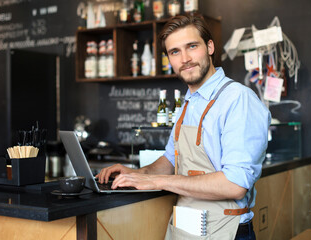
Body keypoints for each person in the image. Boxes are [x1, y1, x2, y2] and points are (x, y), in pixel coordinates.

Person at [97, 13, 271, 240]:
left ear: (209, 47)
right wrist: (137, 174)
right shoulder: (188, 103)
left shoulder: (238, 99)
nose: (185, 58)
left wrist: (155, 181)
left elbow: (235, 184)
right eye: (175, 52)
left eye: (192, 46)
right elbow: (170, 160)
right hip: (185, 231)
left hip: (226, 231)